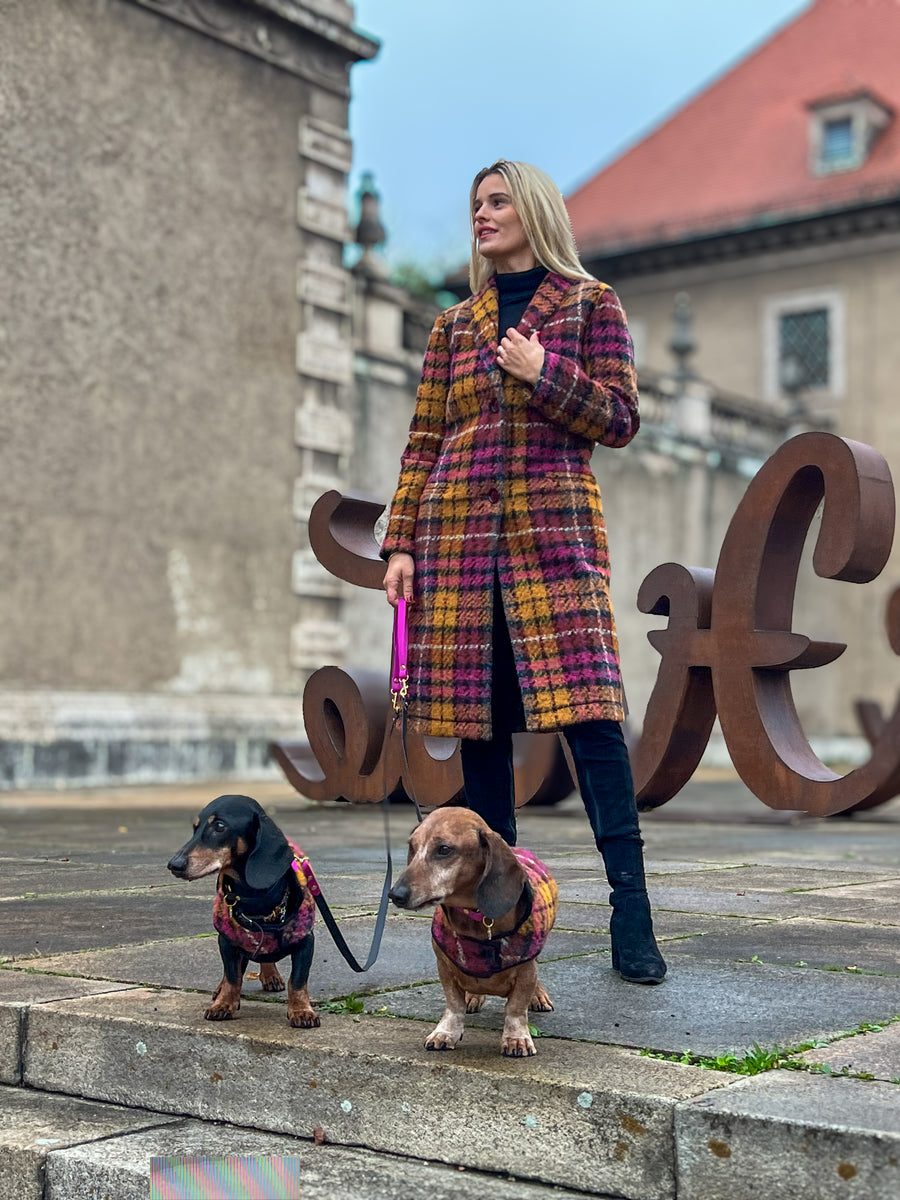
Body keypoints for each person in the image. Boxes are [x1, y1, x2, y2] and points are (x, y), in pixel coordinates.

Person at [381, 160, 665, 985]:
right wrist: (401, 542)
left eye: (498, 200)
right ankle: (492, 939)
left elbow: (620, 417)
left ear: (533, 209)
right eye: (474, 203)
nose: (482, 214)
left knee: (596, 732)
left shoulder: (589, 304)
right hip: (459, 553)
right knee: (482, 739)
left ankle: (631, 913)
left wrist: (547, 376)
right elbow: (423, 444)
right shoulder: (451, 328)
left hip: (552, 549)